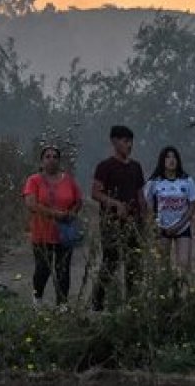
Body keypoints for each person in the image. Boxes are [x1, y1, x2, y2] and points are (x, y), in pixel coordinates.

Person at [90, 124, 146, 310]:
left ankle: (132, 304)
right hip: (112, 222)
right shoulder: (105, 166)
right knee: (111, 260)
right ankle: (97, 302)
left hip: (134, 222)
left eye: (131, 141)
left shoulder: (136, 167)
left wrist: (145, 218)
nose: (129, 145)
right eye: (124, 141)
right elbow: (96, 193)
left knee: (134, 262)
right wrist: (115, 204)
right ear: (114, 141)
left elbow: (140, 195)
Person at [21, 144, 82, 307]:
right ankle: (37, 299)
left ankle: (62, 304)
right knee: (43, 269)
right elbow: (31, 204)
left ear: (59, 161)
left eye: (55, 157)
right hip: (42, 233)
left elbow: (78, 200)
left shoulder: (68, 180)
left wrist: (71, 213)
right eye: (47, 156)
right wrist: (55, 214)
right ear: (42, 161)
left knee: (63, 270)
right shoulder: (33, 180)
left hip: (64, 233)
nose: (51, 160)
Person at [144, 145, 195, 272]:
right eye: (168, 157)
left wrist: (179, 226)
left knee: (184, 264)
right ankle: (165, 291)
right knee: (162, 267)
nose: (171, 160)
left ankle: (184, 291)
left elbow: (192, 208)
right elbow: (149, 207)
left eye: (174, 157)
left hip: (182, 227)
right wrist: (154, 226)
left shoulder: (187, 180)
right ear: (162, 161)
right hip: (161, 228)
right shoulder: (154, 182)